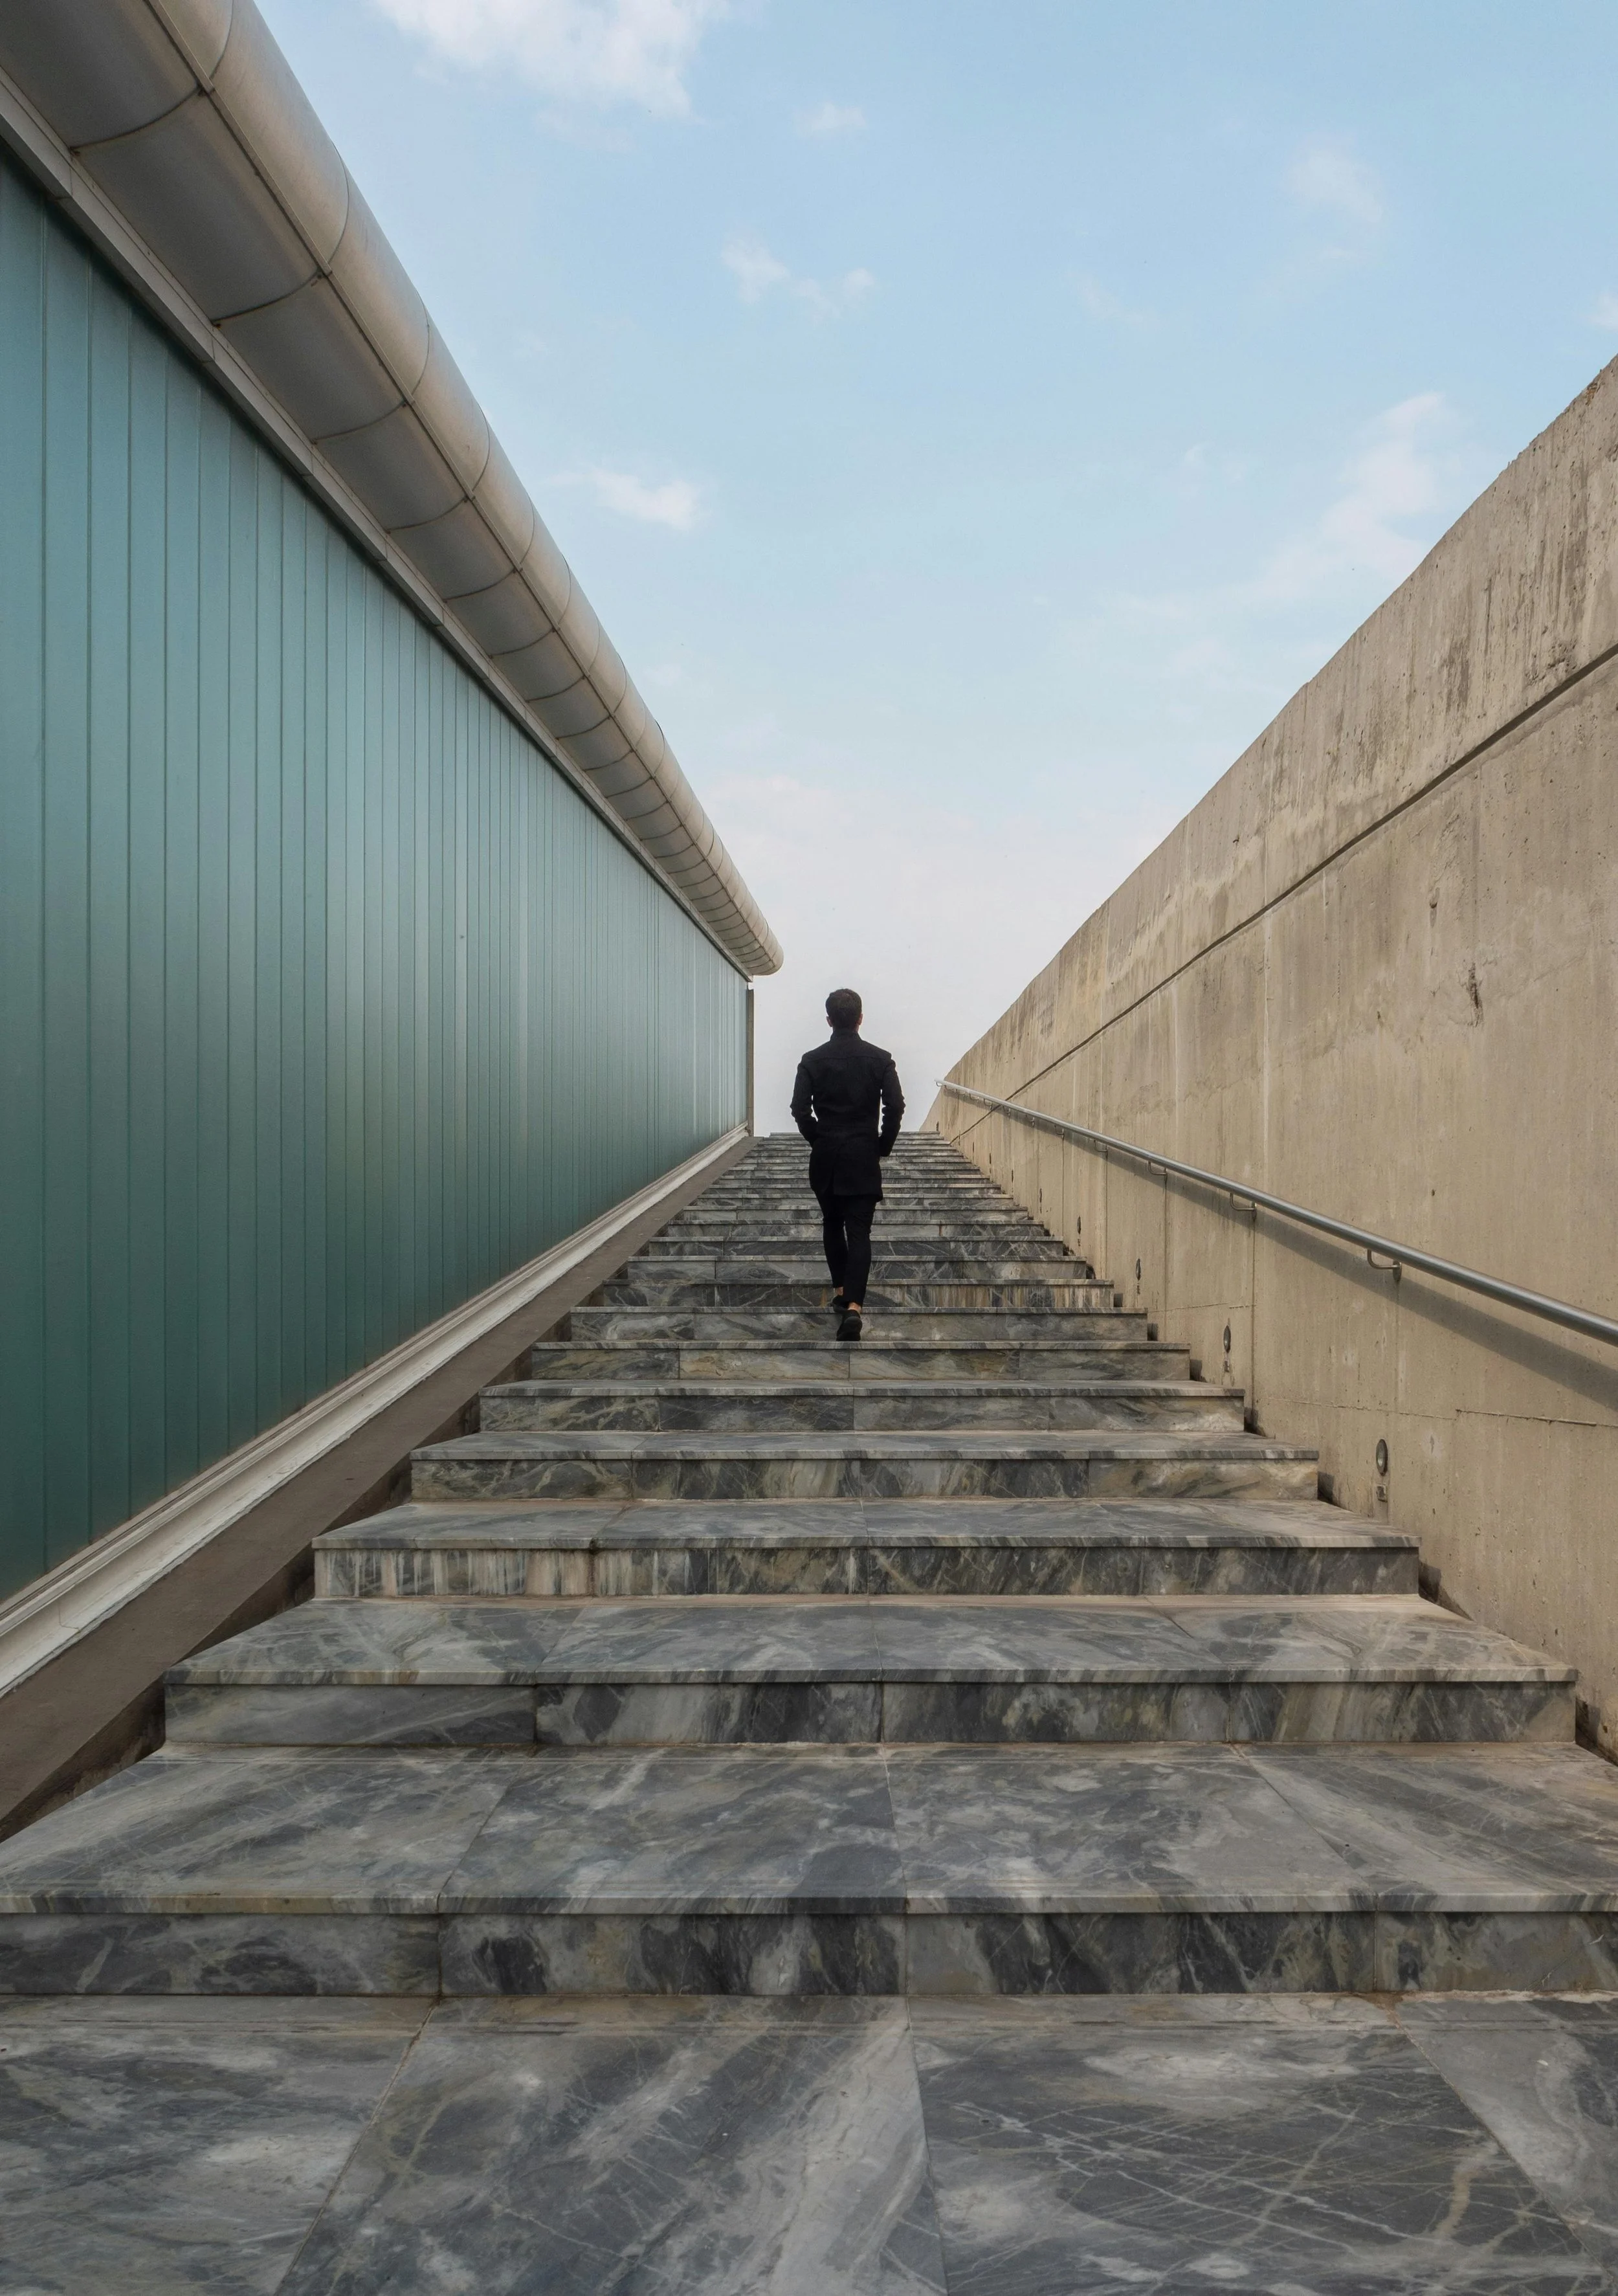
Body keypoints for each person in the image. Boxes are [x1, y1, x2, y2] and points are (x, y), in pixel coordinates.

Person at [790, 988, 905, 1341]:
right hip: (862, 1156)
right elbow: (896, 1106)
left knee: (831, 1224)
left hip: (826, 1157)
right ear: (860, 1018)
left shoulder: (811, 1060)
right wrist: (882, 1144)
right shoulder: (880, 1059)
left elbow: (799, 1108)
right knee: (859, 1232)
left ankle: (842, 1291)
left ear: (828, 1020)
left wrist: (817, 1138)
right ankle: (853, 1307)